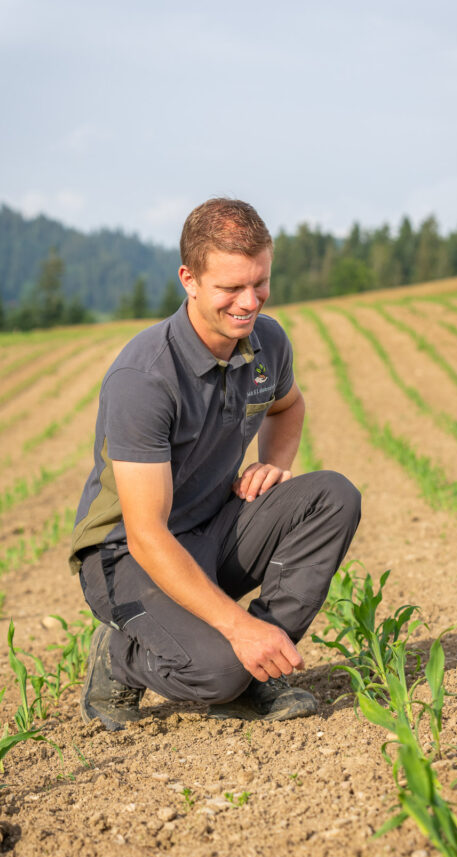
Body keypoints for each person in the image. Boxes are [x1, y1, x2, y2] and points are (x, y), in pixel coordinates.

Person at [69, 198, 361, 730]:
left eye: (260, 282)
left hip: (211, 526)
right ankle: (121, 657)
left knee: (333, 496)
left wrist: (274, 462)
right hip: (127, 556)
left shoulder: (266, 341)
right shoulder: (145, 378)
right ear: (190, 279)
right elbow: (147, 537)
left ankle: (262, 667)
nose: (249, 302)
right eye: (231, 287)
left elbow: (288, 404)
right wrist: (235, 626)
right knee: (220, 673)